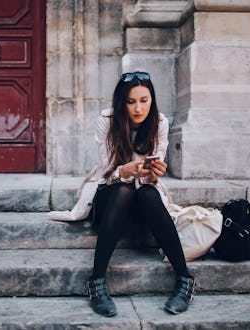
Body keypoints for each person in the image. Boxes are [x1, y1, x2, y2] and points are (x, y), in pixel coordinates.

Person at [48, 71, 195, 317]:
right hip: (111, 198)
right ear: (122, 103)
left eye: (144, 100)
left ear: (152, 100)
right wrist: (124, 171)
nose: (138, 108)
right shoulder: (107, 121)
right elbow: (106, 171)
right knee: (124, 190)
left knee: (148, 193)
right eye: (131, 102)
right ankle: (96, 282)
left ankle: (184, 279)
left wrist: (153, 173)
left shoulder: (160, 123)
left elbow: (151, 178)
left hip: (142, 201)